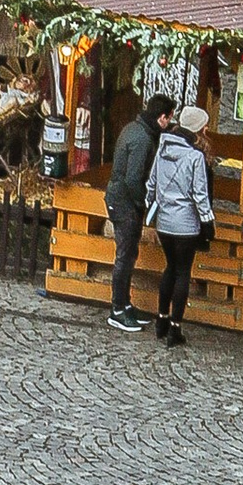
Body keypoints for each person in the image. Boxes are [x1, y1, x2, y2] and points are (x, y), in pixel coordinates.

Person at [147, 102, 213, 344]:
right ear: (197, 129)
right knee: (183, 272)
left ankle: (161, 320)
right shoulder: (195, 157)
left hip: (164, 222)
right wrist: (208, 223)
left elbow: (152, 184)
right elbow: (200, 195)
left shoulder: (163, 148)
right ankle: (175, 327)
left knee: (169, 268)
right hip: (186, 224)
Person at [104, 89, 170, 333]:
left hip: (119, 198)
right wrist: (143, 204)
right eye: (168, 118)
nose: (169, 123)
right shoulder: (143, 139)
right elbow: (133, 178)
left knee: (129, 254)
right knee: (125, 255)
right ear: (161, 117)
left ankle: (125, 304)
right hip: (125, 202)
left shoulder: (133, 128)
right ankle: (118, 309)